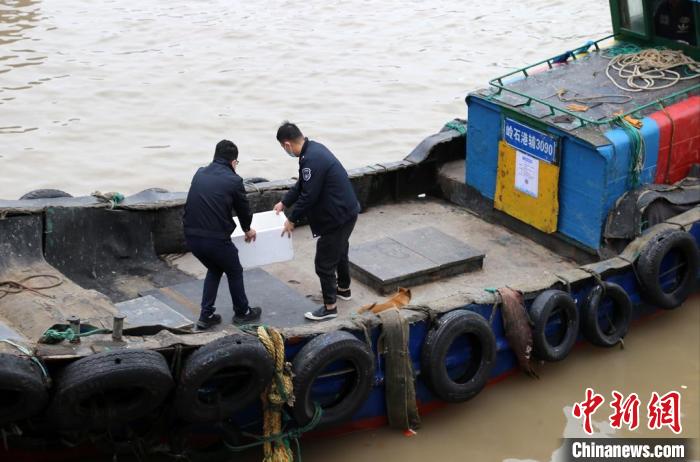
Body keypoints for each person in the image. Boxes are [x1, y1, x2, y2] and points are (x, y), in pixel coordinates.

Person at [273, 122, 360, 321]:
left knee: (323, 263)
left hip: (337, 217)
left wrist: (292, 219)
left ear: (286, 145)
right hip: (347, 211)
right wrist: (284, 202)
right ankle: (343, 289)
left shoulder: (311, 159)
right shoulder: (313, 150)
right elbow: (303, 184)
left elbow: (309, 196)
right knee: (339, 250)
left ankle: (330, 308)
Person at [183, 139, 262, 329]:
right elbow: (244, 210)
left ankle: (206, 315)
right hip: (214, 240)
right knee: (234, 269)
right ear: (233, 162)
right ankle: (242, 312)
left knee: (215, 268)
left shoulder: (199, 173)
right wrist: (247, 229)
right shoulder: (234, 180)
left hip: (191, 237)